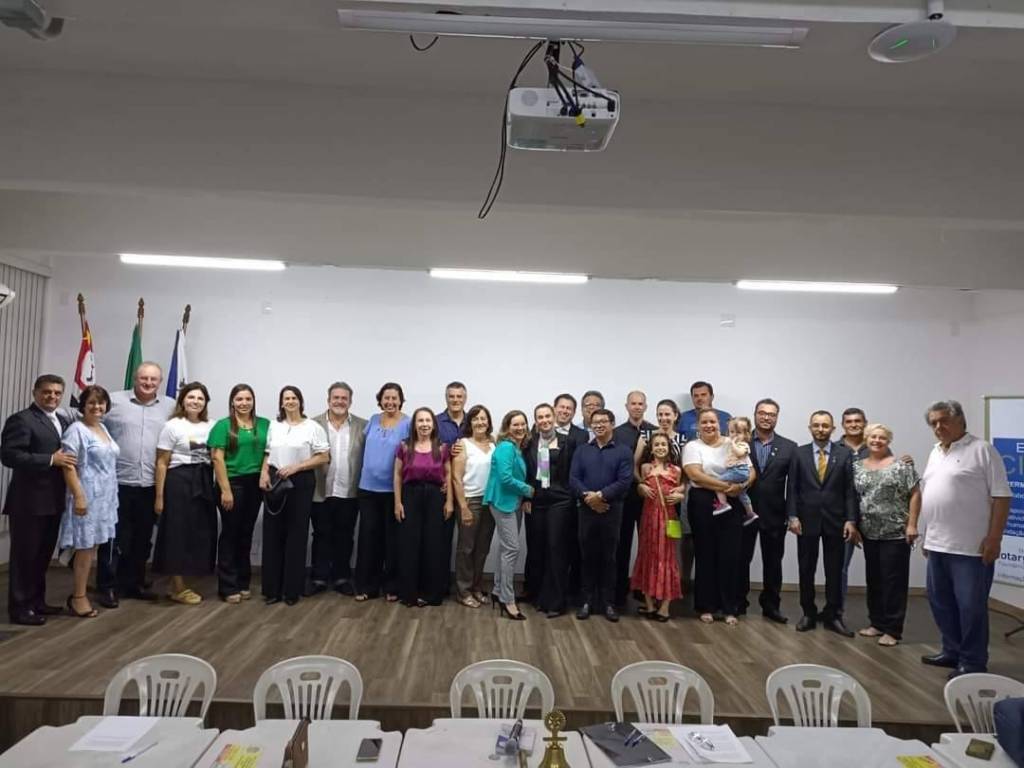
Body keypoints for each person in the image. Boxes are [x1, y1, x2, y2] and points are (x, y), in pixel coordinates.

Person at [911, 399, 1011, 679]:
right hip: (937, 544)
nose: (938, 427)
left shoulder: (982, 450)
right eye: (933, 423)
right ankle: (952, 651)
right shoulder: (935, 452)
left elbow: (1002, 497)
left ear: (960, 420)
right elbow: (933, 495)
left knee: (971, 607)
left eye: (943, 420)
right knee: (940, 603)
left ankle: (973, 661)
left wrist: (994, 538)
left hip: (971, 547)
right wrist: (927, 534)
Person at [98, 361, 175, 607]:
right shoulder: (113, 401)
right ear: (135, 378)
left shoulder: (170, 406)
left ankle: (134, 583)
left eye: (153, 379)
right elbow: (90, 423)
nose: (148, 383)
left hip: (151, 484)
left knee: (142, 539)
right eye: (144, 378)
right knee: (114, 539)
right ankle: (108, 586)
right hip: (118, 482)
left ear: (160, 382)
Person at [1, 374, 74, 625]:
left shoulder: (62, 420)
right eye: (46, 392)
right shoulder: (21, 420)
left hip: (53, 500)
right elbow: (10, 455)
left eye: (57, 393)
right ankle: (20, 608)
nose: (52, 396)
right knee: (25, 557)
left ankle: (37, 602)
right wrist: (51, 460)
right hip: (28, 502)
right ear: (35, 393)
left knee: (42, 556)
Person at [787, 410, 859, 637]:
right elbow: (792, 488)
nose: (820, 429)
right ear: (810, 428)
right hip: (806, 520)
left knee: (834, 571)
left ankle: (833, 615)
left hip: (836, 521)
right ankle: (808, 613)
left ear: (833, 429)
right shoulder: (799, 453)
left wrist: (851, 520)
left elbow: (849, 491)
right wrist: (792, 516)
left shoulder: (844, 454)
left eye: (825, 425)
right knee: (806, 569)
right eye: (816, 425)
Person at [259, 386, 329, 606]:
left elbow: (324, 457)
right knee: (272, 535)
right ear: (281, 402)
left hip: (301, 481)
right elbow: (268, 453)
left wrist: (297, 467)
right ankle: (272, 590)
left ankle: (292, 590)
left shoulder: (313, 427)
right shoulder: (274, 426)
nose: (290, 401)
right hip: (275, 480)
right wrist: (263, 473)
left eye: (294, 398)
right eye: (286, 398)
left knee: (296, 536)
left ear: (300, 401)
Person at [852, 424, 920, 647]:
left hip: (896, 533)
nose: (877, 441)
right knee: (874, 580)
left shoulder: (901, 466)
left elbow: (915, 494)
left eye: (882, 438)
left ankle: (893, 630)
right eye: (873, 437)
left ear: (888, 441)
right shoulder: (857, 467)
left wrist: (912, 524)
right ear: (866, 439)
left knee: (894, 582)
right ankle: (877, 623)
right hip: (869, 532)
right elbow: (855, 497)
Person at [682, 408, 750, 626]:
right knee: (706, 554)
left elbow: (750, 470)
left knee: (731, 555)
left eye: (712, 421)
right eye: (704, 422)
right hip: (703, 502)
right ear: (698, 426)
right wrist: (725, 486)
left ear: (719, 423)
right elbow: (695, 475)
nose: (709, 425)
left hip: (733, 502)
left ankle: (729, 608)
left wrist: (741, 486)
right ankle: (706, 606)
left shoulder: (732, 443)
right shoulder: (693, 447)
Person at [153, 382, 216, 605]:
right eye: (191, 397)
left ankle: (188, 577)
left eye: (200, 398)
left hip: (204, 480)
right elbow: (162, 462)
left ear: (205, 403)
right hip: (178, 481)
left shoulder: (213, 426)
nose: (195, 402)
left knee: (199, 530)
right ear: (182, 400)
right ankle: (177, 586)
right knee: (176, 532)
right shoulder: (172, 426)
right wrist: (159, 496)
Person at [59, 385, 118, 618]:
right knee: (84, 549)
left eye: (101, 403)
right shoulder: (76, 430)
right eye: (91, 402)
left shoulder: (103, 427)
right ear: (83, 405)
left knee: (92, 547)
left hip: (105, 498)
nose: (97, 407)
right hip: (86, 496)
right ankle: (78, 597)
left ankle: (82, 590)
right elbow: (68, 466)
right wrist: (79, 496)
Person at [570, 408, 633, 622]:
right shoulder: (582, 450)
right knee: (587, 556)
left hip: (611, 511)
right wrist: (589, 498)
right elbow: (574, 479)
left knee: (609, 557)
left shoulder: (623, 451)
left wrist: (601, 496)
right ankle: (586, 601)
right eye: (595, 422)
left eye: (603, 421)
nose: (598, 425)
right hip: (586, 510)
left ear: (612, 424)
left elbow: (624, 481)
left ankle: (608, 602)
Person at [209, 384, 270, 603]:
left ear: (253, 401)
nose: (244, 403)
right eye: (239, 399)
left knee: (246, 532)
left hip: (255, 483)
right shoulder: (223, 426)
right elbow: (217, 458)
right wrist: (225, 490)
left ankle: (243, 582)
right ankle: (227, 586)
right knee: (230, 533)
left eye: (248, 399)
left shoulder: (264, 424)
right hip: (231, 483)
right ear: (232, 402)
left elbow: (269, 451)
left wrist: (264, 472)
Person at [742, 398, 797, 623]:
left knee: (773, 563)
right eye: (762, 413)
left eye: (771, 414)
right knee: (741, 559)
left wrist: (791, 514)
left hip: (775, 513)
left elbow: (793, 486)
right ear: (755, 414)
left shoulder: (789, 447)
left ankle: (771, 606)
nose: (766, 417)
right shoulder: (741, 440)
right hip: (744, 512)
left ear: (777, 417)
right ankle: (739, 602)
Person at [355, 382, 410, 602]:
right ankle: (367, 586)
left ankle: (392, 586)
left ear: (401, 400)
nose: (390, 402)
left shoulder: (408, 424)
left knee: (392, 540)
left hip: (393, 491)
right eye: (386, 398)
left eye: (394, 398)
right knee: (369, 538)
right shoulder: (373, 420)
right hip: (367, 489)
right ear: (380, 400)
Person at [310, 382, 367, 596]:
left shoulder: (362, 425)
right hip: (320, 490)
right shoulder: (313, 424)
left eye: (344, 398)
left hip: (349, 490)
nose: (340, 401)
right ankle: (318, 578)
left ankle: (342, 578)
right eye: (336, 397)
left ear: (350, 402)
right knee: (321, 535)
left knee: (345, 535)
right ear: (328, 400)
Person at [524, 403, 578, 618]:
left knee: (556, 548)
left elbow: (574, 471)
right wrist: (526, 497)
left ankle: (556, 602)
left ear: (554, 417)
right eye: (540, 417)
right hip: (537, 500)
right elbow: (526, 472)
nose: (544, 420)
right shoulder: (530, 442)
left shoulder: (568, 441)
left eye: (548, 416)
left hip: (560, 500)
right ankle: (540, 597)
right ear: (536, 421)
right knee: (538, 548)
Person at [394, 407, 452, 607]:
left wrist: (449, 501)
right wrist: (397, 503)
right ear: (414, 424)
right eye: (420, 420)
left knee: (433, 545)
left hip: (435, 497)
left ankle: (431, 594)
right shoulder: (404, 446)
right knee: (409, 545)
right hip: (410, 496)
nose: (424, 424)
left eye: (428, 420)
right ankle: (409, 593)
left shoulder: (442, 448)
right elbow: (397, 475)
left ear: (434, 425)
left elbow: (448, 474)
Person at [634, 399, 689, 594]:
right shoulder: (646, 435)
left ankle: (666, 591)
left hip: (672, 504)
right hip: (650, 502)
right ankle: (649, 592)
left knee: (669, 548)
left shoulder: (683, 439)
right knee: (648, 546)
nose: (663, 418)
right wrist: (642, 484)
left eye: (667, 414)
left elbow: (686, 473)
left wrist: (681, 491)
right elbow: (635, 465)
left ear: (675, 416)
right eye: (660, 414)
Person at [484, 410, 534, 620]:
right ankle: (507, 599)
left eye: (523, 424)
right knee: (512, 549)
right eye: (515, 424)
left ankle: (497, 590)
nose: (520, 428)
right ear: (507, 427)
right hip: (502, 503)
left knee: (506, 549)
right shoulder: (505, 447)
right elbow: (505, 478)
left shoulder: (518, 448)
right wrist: (529, 490)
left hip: (513, 503)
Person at [631, 433, 684, 622]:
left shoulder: (676, 470)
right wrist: (641, 488)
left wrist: (681, 493)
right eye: (657, 445)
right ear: (651, 449)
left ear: (669, 448)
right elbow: (640, 488)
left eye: (663, 444)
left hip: (670, 518)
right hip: (649, 518)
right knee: (647, 556)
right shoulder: (646, 468)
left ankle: (665, 607)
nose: (660, 447)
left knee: (668, 558)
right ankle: (650, 605)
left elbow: (683, 488)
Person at [611, 391, 656, 608]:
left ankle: (644, 590)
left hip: (650, 497)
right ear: (627, 406)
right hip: (625, 496)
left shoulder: (654, 432)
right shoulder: (617, 433)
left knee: (648, 545)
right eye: (633, 403)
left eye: (640, 403)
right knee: (622, 543)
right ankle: (619, 590)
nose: (637, 407)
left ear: (646, 406)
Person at [451, 404, 495, 608]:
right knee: (466, 548)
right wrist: (463, 506)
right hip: (470, 501)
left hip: (490, 501)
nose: (480, 422)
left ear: (489, 422)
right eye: (476, 418)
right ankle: (463, 591)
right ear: (470, 423)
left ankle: (476, 587)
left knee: (482, 548)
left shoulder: (493, 444)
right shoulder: (463, 444)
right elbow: (456, 478)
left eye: (483, 418)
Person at [553, 392, 588, 604]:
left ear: (574, 413)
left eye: (569, 408)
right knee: (545, 545)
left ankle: (570, 591)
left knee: (571, 546)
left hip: (571, 496)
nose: (564, 411)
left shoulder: (581, 435)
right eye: (562, 407)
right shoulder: (541, 429)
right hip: (546, 496)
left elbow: (580, 467)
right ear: (554, 408)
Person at [436, 381, 467, 598]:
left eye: (459, 396)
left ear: (465, 398)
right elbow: (427, 451)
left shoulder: (473, 421)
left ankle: (465, 587)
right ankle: (440, 585)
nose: (455, 400)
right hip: (443, 488)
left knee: (467, 543)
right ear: (446, 398)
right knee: (441, 540)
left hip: (468, 490)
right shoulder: (435, 422)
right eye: (451, 396)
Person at [715, 417, 757, 524]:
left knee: (717, 482)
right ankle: (750, 513)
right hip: (736, 471)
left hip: (738, 471)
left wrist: (733, 443)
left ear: (745, 434)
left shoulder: (743, 445)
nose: (734, 435)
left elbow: (739, 453)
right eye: (732, 432)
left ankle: (723, 504)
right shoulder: (730, 444)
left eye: (738, 433)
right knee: (742, 495)